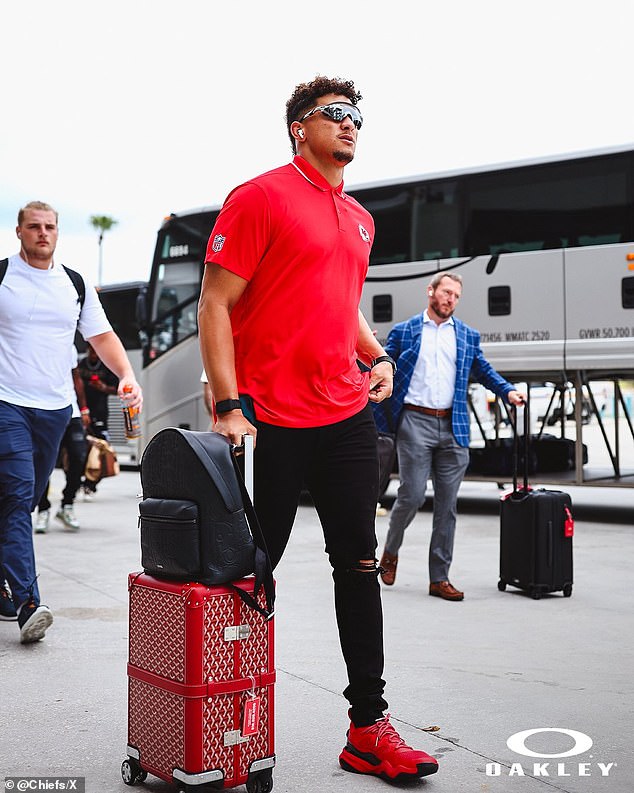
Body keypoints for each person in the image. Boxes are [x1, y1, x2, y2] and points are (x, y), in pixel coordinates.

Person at [198, 76, 438, 782]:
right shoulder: (260, 196)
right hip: (269, 416)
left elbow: (340, 304)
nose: (351, 124)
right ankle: (228, 726)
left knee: (358, 564)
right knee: (249, 575)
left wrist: (378, 353)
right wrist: (227, 401)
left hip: (345, 415)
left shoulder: (361, 218)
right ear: (300, 127)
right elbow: (216, 302)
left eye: (358, 116)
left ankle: (368, 726)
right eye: (336, 114)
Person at [0, 201, 142, 644]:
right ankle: (28, 603)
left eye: (50, 227)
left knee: (18, 502)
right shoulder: (3, 276)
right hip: (7, 403)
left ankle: (6, 584)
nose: (43, 234)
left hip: (56, 408)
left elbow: (101, 336)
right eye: (34, 227)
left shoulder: (74, 284)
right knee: (20, 494)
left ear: (58, 233)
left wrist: (127, 375)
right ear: (19, 231)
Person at [375, 272, 525, 600]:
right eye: (446, 293)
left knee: (448, 506)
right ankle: (391, 549)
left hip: (454, 426)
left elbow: (483, 370)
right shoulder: (406, 330)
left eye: (456, 296)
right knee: (411, 495)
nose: (450, 300)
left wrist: (508, 392)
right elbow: (383, 364)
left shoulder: (468, 336)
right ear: (430, 291)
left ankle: (439, 577)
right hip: (415, 421)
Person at [34, 354, 90, 533]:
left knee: (78, 457)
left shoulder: (68, 346)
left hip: (70, 412)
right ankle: (43, 510)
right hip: (43, 410)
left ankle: (67, 505)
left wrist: (84, 409)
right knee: (44, 462)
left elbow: (76, 377)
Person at [77, 342, 119, 497]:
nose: (94, 354)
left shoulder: (106, 366)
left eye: (96, 351)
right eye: (91, 351)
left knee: (102, 449)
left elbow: (117, 389)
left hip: (100, 413)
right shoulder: (81, 364)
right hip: (81, 413)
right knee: (79, 449)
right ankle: (78, 480)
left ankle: (91, 484)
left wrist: (103, 387)